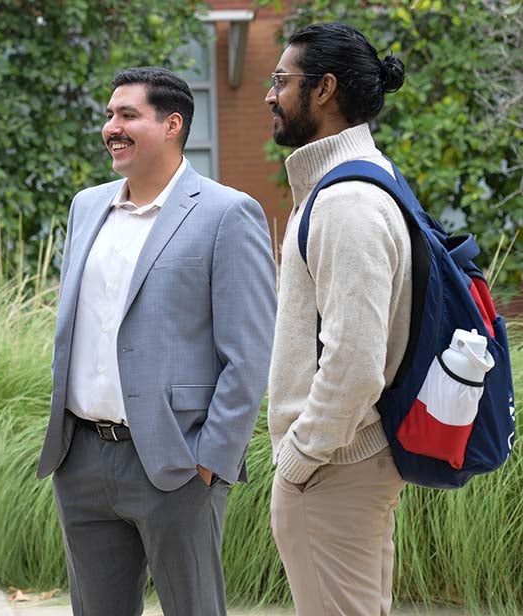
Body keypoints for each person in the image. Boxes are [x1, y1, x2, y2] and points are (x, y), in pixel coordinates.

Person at [36, 66, 277, 615]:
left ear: (172, 125)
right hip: (81, 458)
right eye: (109, 115)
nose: (111, 127)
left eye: (128, 115)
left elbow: (248, 354)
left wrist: (210, 462)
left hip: (176, 463)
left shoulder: (227, 213)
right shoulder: (86, 206)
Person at [264, 22, 410, 615]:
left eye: (281, 80)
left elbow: (354, 361)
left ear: (323, 89)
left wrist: (301, 458)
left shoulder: (346, 201)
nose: (270, 95)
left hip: (334, 469)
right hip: (349, 465)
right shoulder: (360, 180)